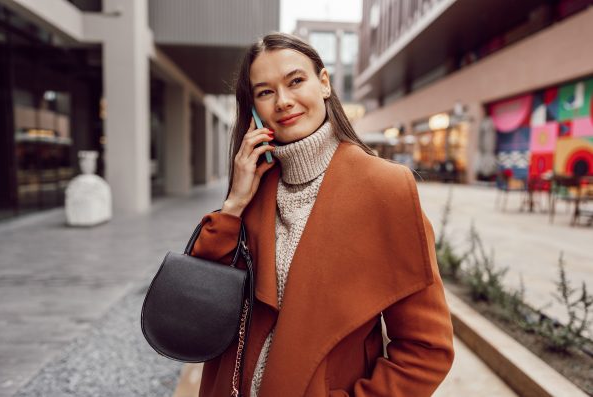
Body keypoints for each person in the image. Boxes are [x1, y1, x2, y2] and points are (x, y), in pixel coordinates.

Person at [191, 32, 454, 397]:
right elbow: (201, 304)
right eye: (265, 92)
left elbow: (427, 349)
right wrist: (233, 206)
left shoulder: (386, 188)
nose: (283, 101)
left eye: (296, 81)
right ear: (253, 108)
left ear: (325, 83)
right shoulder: (253, 187)